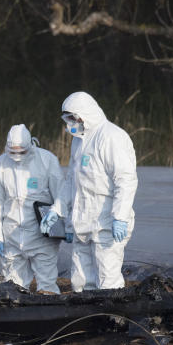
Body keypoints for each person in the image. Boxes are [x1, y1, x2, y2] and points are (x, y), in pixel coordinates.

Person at [40, 91, 138, 291]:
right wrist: (57, 210)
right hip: (82, 223)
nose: (70, 124)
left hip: (107, 222)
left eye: (73, 118)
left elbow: (125, 180)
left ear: (86, 114)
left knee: (107, 280)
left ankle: (112, 319)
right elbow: (71, 181)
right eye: (67, 119)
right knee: (81, 281)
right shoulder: (78, 140)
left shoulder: (111, 137)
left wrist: (119, 217)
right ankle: (85, 319)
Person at [0, 124, 65, 293]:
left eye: (21, 152)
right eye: (12, 152)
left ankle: (49, 316)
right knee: (13, 287)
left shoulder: (46, 160)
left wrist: (57, 213)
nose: (16, 156)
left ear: (30, 145)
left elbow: (62, 193)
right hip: (12, 236)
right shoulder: (1, 163)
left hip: (41, 235)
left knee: (47, 284)